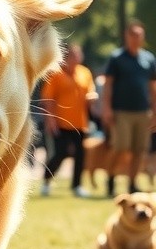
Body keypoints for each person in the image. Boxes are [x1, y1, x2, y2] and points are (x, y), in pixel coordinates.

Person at [102, 20, 156, 196]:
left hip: (143, 112)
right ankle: (110, 179)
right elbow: (108, 85)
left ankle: (132, 184)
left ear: (143, 37)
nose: (136, 38)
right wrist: (107, 109)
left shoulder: (149, 59)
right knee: (120, 147)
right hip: (121, 111)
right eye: (133, 35)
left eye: (139, 35)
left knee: (139, 150)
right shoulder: (117, 58)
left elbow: (153, 88)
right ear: (127, 36)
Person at [40, 43, 97, 197]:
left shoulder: (85, 73)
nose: (76, 58)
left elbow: (90, 92)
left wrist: (92, 98)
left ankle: (76, 186)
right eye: (73, 55)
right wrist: (50, 121)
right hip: (61, 122)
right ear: (66, 58)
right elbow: (48, 99)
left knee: (80, 155)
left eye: (78, 55)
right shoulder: (56, 74)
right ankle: (46, 180)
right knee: (61, 153)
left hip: (80, 122)